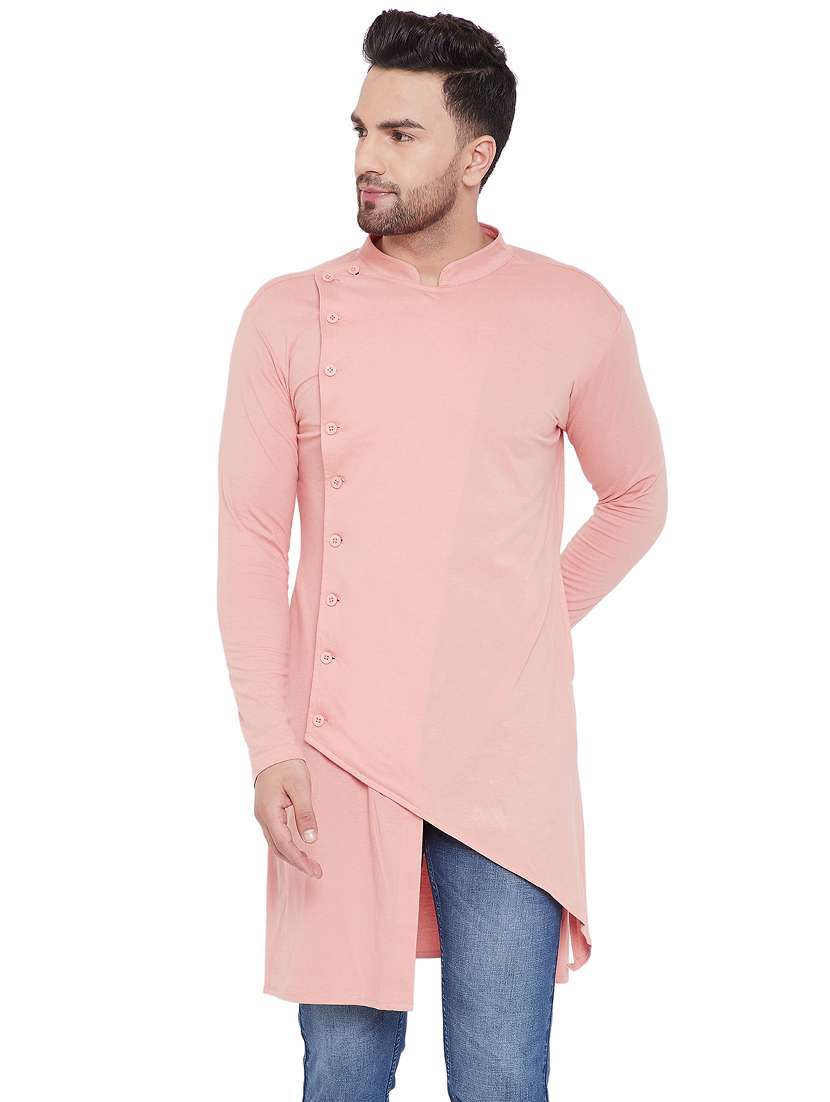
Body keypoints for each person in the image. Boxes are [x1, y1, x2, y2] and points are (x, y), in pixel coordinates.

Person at [217, 10, 668, 1100]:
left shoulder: (572, 312)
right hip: (335, 750)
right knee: (342, 1071)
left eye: (401, 134)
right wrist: (270, 745)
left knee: (502, 1076)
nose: (367, 158)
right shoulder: (288, 314)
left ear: (476, 157)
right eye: (360, 130)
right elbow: (252, 539)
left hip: (504, 753)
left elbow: (637, 494)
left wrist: (532, 615)